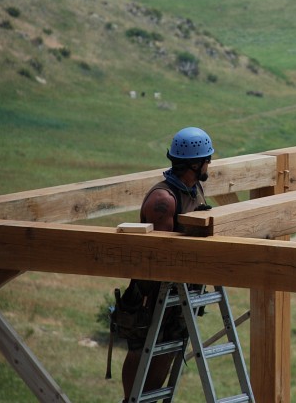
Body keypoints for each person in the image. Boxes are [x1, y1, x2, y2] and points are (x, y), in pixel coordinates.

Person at [119, 127, 215, 400]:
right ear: (195, 164)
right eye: (207, 159)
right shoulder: (163, 200)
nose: (209, 164)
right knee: (142, 348)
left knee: (170, 347)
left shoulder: (192, 188)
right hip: (153, 292)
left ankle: (148, 397)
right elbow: (162, 255)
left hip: (178, 290)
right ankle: (133, 399)